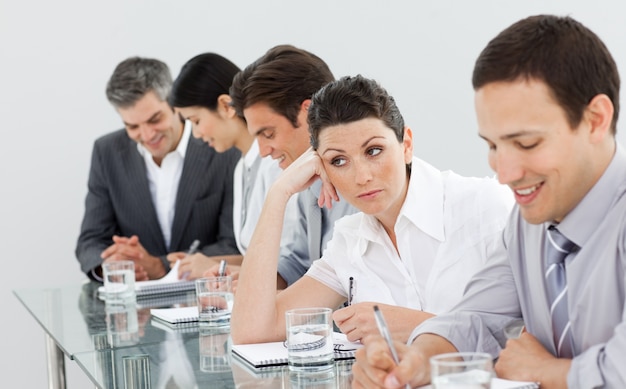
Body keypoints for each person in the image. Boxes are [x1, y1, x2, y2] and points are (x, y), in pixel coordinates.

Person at [352, 15, 626, 389]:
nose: (505, 173)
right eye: (494, 146)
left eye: (527, 143)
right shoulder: (526, 222)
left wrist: (550, 372)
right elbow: (477, 316)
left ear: (595, 119)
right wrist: (418, 359)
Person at [230, 75, 513, 345]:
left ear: (407, 145)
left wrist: (418, 326)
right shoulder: (349, 242)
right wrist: (279, 194)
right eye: (339, 161)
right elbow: (254, 330)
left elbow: (534, 341)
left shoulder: (485, 207)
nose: (361, 176)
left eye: (374, 151)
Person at [76, 57, 240, 282]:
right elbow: (90, 241)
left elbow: (233, 243)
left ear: (174, 105)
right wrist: (113, 266)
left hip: (205, 297)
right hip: (137, 303)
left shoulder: (221, 146)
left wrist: (161, 266)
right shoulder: (107, 152)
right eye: (132, 126)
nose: (147, 135)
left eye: (155, 119)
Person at [225, 44, 358, 289]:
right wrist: (249, 285)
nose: (264, 151)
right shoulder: (311, 180)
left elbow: (338, 285)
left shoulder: (363, 181)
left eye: (268, 133)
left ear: (308, 113)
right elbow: (299, 262)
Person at [167, 52, 283, 279]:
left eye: (196, 121)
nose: (197, 135)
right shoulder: (241, 167)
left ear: (225, 105)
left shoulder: (274, 164)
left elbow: (289, 265)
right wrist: (205, 262)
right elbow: (255, 256)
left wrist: (219, 268)